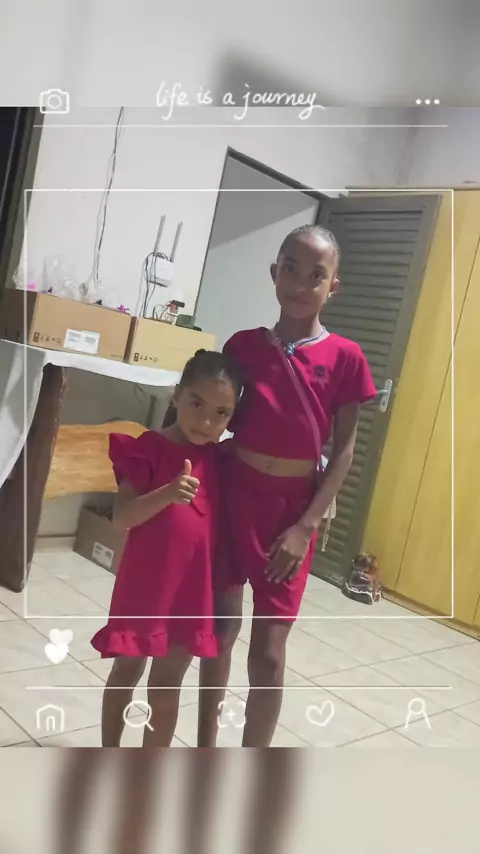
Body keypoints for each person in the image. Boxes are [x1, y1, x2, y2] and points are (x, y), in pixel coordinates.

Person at [198, 224, 378, 747]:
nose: (300, 284)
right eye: (291, 269)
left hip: (291, 514)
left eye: (316, 275)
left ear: (333, 286)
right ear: (274, 272)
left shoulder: (346, 357)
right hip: (233, 496)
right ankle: (206, 749)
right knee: (219, 633)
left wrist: (306, 525)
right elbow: (215, 419)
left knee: (269, 654)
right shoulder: (243, 346)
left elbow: (343, 451)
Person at [91, 349, 243, 747]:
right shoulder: (149, 447)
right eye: (196, 404)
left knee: (167, 684)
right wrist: (168, 493)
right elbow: (122, 517)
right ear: (176, 395)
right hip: (145, 586)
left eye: (221, 413)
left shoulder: (222, 461)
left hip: (192, 591)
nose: (206, 421)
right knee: (127, 670)